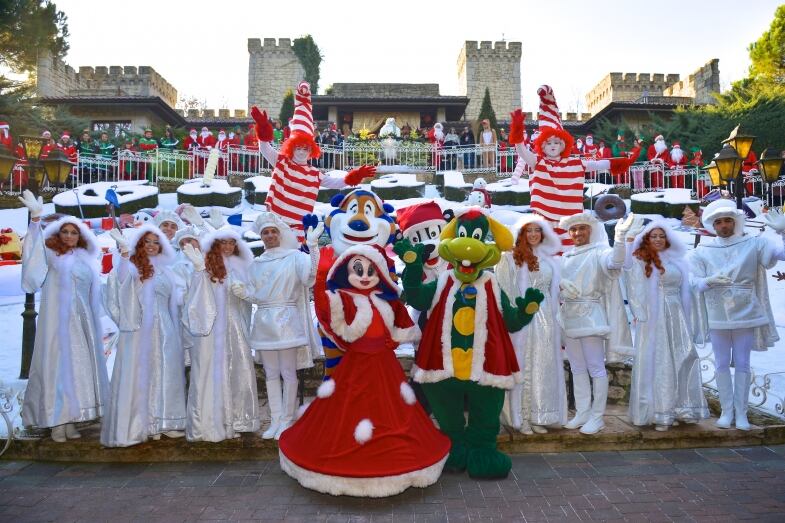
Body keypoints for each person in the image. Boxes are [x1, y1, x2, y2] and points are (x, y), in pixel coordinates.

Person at [278, 243, 450, 497]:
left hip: (384, 365)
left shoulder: (385, 300)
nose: (366, 276)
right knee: (344, 412)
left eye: (371, 270)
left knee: (393, 412)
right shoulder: (344, 299)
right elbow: (327, 310)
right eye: (358, 270)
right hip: (355, 364)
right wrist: (323, 273)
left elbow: (401, 324)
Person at [395, 209, 544, 479]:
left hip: (485, 368)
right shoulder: (443, 280)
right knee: (448, 416)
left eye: (476, 237)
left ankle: (482, 451)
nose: (469, 247)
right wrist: (414, 267)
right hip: (443, 368)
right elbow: (416, 298)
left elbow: (510, 321)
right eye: (462, 236)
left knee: (485, 416)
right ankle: (453, 449)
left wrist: (525, 312)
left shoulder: (491, 282)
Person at [18, 191, 109, 442]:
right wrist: (36, 221)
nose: (69, 236)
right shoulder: (50, 255)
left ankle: (72, 418)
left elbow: (98, 292)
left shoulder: (86, 260)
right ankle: (56, 419)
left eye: (74, 232)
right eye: (65, 232)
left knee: (78, 368)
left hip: (82, 323)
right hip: (57, 322)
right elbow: (32, 261)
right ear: (58, 234)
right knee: (57, 368)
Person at [690, 200, 785, 431]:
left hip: (746, 310)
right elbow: (692, 282)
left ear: (735, 221)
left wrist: (783, 232)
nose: (723, 225)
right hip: (717, 311)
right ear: (713, 225)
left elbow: (781, 255)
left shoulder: (754, 243)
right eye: (719, 222)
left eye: (728, 220)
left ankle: (742, 413)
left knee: (743, 363)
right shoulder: (702, 250)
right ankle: (726, 411)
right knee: (721, 363)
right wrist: (707, 281)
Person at [509, 86, 637, 246]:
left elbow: (597, 164)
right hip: (544, 222)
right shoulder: (538, 162)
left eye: (557, 142)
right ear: (542, 145)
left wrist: (622, 162)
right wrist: (517, 131)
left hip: (570, 223)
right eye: (549, 142)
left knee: (571, 257)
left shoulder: (574, 163)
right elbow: (521, 151)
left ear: (564, 145)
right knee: (544, 258)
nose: (553, 146)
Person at [250, 81, 376, 242]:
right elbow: (265, 148)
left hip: (296, 230)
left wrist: (354, 176)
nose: (302, 152)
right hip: (275, 224)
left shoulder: (313, 174)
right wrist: (262, 129)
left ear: (311, 151)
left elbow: (336, 182)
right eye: (298, 148)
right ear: (291, 147)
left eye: (306, 148)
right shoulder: (282, 162)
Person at [102, 225, 187, 447]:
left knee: (165, 372)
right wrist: (123, 255)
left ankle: (165, 421)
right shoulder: (131, 267)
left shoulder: (167, 270)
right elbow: (119, 284)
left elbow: (177, 300)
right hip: (139, 329)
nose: (151, 245)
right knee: (141, 374)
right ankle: (143, 423)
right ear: (140, 243)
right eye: (147, 241)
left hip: (165, 328)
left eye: (156, 241)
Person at [558, 212, 640, 434]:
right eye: (573, 229)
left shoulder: (599, 252)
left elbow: (615, 262)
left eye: (582, 228)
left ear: (590, 230)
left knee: (595, 366)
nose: (577, 233)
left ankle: (597, 415)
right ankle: (583, 411)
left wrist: (620, 238)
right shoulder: (565, 257)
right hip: (569, 316)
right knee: (577, 367)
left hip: (591, 314)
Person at [242, 213, 323, 440]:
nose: (269, 235)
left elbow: (310, 277)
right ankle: (275, 418)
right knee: (270, 373)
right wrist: (242, 292)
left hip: (286, 320)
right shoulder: (256, 264)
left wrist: (313, 246)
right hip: (265, 321)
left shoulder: (294, 257)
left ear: (280, 234)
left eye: (273, 231)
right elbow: (253, 293)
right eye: (265, 232)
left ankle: (287, 419)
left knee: (288, 372)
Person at [625, 220, 709, 431]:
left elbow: (687, 286)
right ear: (646, 239)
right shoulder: (640, 260)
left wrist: (707, 283)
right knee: (660, 360)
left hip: (677, 313)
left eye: (662, 236)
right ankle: (660, 411)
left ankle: (685, 407)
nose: (658, 240)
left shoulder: (677, 260)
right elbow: (633, 287)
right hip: (654, 316)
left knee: (685, 355)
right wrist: (639, 312)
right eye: (653, 236)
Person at [180, 229, 260, 441]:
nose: (227, 247)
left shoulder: (243, 268)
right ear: (215, 244)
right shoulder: (205, 265)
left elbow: (254, 295)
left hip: (235, 326)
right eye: (223, 242)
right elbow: (195, 299)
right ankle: (210, 423)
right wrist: (199, 271)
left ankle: (239, 419)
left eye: (231, 243)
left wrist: (245, 293)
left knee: (239, 369)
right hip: (211, 327)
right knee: (209, 372)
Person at [496, 215, 568, 435]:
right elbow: (504, 291)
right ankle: (521, 417)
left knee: (543, 366)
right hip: (523, 318)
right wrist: (515, 316)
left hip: (547, 319)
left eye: (538, 230)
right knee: (523, 364)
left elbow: (554, 293)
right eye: (529, 231)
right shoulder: (508, 259)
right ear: (521, 234)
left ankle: (540, 415)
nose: (534, 234)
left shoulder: (549, 261)